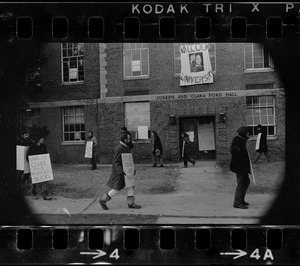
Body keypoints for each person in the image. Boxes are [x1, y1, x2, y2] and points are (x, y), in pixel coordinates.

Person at [99, 132, 141, 210]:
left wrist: (131, 169)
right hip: (121, 173)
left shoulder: (125, 147)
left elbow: (127, 160)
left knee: (130, 186)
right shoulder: (119, 148)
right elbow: (116, 162)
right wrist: (121, 172)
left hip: (125, 172)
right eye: (128, 138)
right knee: (116, 189)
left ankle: (131, 203)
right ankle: (103, 200)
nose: (130, 140)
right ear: (124, 139)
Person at [230, 126, 251, 209]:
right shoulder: (238, 140)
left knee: (246, 182)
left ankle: (241, 200)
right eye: (248, 132)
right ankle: (237, 203)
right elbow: (239, 154)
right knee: (241, 184)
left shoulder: (240, 139)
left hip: (242, 166)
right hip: (240, 167)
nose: (249, 134)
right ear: (244, 133)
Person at [26, 135, 52, 200]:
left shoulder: (43, 146)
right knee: (34, 181)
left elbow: (45, 155)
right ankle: (33, 193)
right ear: (38, 139)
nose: (43, 139)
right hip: (35, 167)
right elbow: (27, 156)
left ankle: (45, 194)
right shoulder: (32, 147)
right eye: (41, 138)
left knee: (44, 179)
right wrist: (32, 163)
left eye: (43, 138)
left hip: (42, 166)